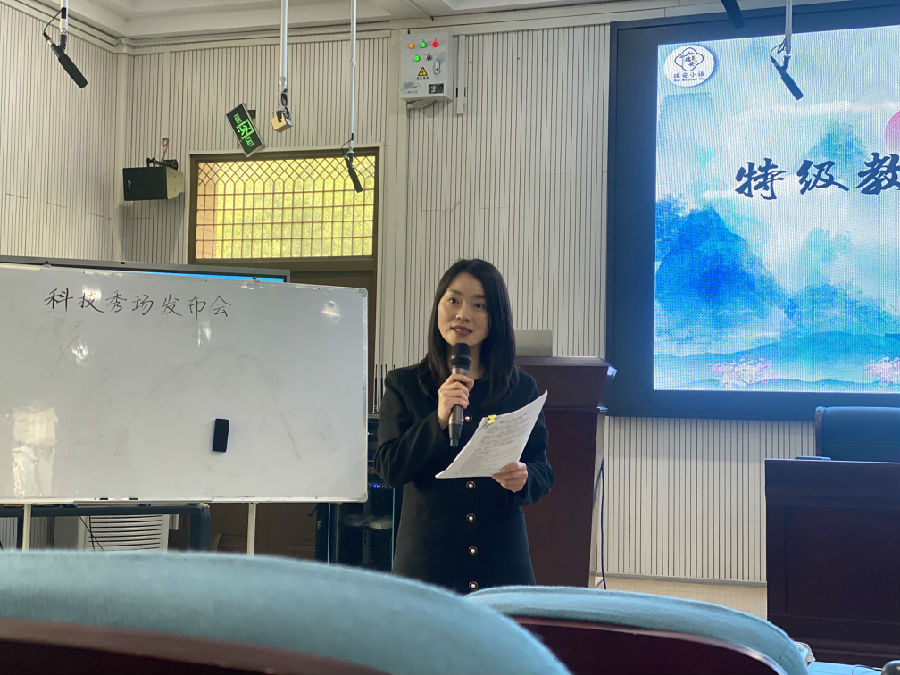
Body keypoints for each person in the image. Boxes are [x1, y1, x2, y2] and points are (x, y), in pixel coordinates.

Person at [375, 258, 553, 594]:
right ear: (438, 307)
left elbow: (543, 471)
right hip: (427, 565)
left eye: (479, 305)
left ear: (496, 316)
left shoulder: (520, 388)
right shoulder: (405, 385)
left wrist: (525, 477)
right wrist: (437, 421)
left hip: (501, 560)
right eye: (453, 300)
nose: (463, 314)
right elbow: (389, 468)